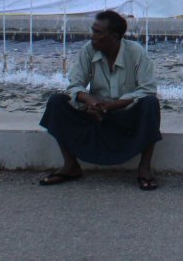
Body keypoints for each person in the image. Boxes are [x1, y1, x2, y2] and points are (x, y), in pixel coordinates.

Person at [38, 10, 162, 190]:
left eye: (98, 32)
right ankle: (70, 165)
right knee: (56, 102)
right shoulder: (88, 50)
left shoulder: (135, 52)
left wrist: (114, 105)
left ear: (114, 36)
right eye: (93, 31)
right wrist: (89, 100)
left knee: (151, 104)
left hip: (125, 117)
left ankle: (144, 169)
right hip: (95, 115)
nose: (92, 36)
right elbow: (74, 85)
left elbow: (147, 89)